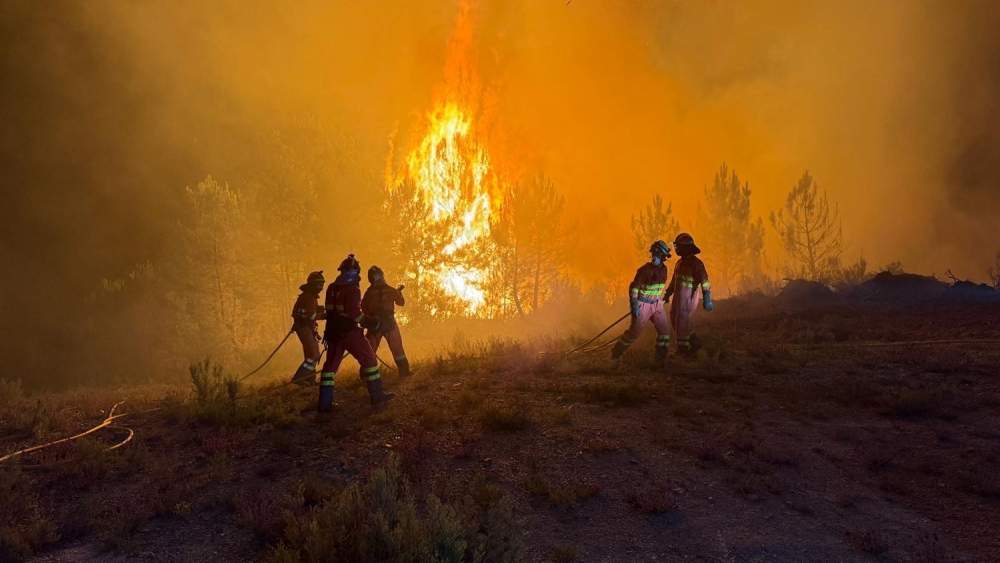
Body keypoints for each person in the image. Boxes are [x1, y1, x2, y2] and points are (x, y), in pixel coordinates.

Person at [318, 254, 394, 412]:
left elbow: (330, 312)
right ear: (356, 272)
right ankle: (377, 397)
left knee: (329, 369)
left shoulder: (331, 288)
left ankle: (324, 405)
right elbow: (355, 314)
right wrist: (371, 323)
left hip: (333, 334)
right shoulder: (353, 289)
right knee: (370, 361)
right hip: (350, 333)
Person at [611, 240, 673, 367]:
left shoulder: (664, 270)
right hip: (643, 305)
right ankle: (615, 355)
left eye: (657, 254)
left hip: (657, 305)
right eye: (653, 253)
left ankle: (660, 361)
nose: (654, 256)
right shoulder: (644, 270)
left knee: (665, 333)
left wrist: (664, 297)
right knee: (634, 332)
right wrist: (634, 304)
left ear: (663, 257)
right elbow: (634, 288)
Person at [665, 233, 713, 355]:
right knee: (674, 318)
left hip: (689, 298)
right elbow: (674, 281)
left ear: (686, 247)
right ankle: (693, 340)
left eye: (679, 246)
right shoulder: (679, 263)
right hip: (678, 297)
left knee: (682, 320)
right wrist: (668, 293)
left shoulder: (696, 264)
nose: (677, 249)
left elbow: (705, 281)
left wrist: (707, 298)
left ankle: (683, 350)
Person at [362, 266, 410, 377]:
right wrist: (398, 293)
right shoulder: (390, 290)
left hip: (375, 325)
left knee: (369, 352)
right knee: (397, 350)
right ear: (381, 276)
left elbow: (363, 307)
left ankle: (365, 376)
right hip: (389, 324)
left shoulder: (369, 293)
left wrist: (369, 319)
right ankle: (404, 373)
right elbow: (401, 302)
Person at [290, 270, 326, 385]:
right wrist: (326, 315)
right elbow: (311, 316)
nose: (320, 287)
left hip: (307, 328)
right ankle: (299, 378)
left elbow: (310, 311)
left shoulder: (310, 296)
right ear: (312, 284)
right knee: (314, 355)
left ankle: (309, 380)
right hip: (304, 328)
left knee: (311, 355)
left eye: (322, 284)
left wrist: (322, 309)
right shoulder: (308, 297)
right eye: (318, 284)